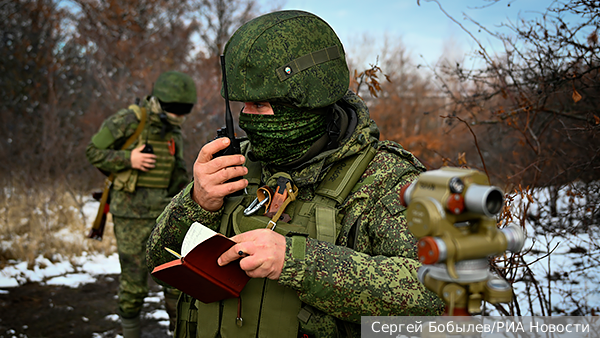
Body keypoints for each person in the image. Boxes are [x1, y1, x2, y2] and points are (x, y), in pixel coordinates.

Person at [146, 10, 444, 338]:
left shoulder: (385, 179)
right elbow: (158, 263)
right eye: (243, 106)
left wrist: (298, 262)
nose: (246, 118)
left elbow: (437, 291)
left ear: (305, 105)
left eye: (259, 107)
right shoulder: (235, 163)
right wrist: (196, 201)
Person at [86, 71, 196, 338]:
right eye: (175, 110)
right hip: (131, 214)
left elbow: (177, 174)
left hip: (165, 213)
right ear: (159, 102)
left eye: (184, 111)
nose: (179, 116)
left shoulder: (173, 131)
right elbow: (93, 151)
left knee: (175, 281)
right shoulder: (130, 120)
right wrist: (129, 159)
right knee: (134, 286)